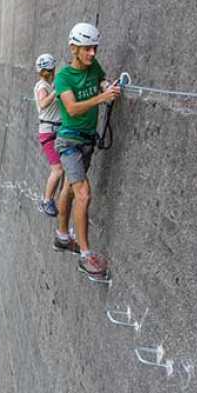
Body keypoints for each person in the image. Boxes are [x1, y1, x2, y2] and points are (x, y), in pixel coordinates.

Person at [52, 23, 121, 279]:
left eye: (95, 48)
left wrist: (105, 86)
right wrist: (102, 99)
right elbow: (72, 109)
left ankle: (61, 236)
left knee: (70, 188)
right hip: (69, 142)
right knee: (83, 194)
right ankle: (85, 255)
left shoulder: (94, 67)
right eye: (87, 48)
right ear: (74, 48)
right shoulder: (63, 78)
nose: (92, 53)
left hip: (87, 141)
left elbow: (101, 79)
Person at [33, 53, 64, 217]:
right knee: (57, 170)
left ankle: (56, 197)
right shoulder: (42, 86)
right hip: (49, 133)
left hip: (56, 130)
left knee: (62, 168)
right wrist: (55, 92)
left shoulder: (49, 85)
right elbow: (43, 104)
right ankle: (46, 201)